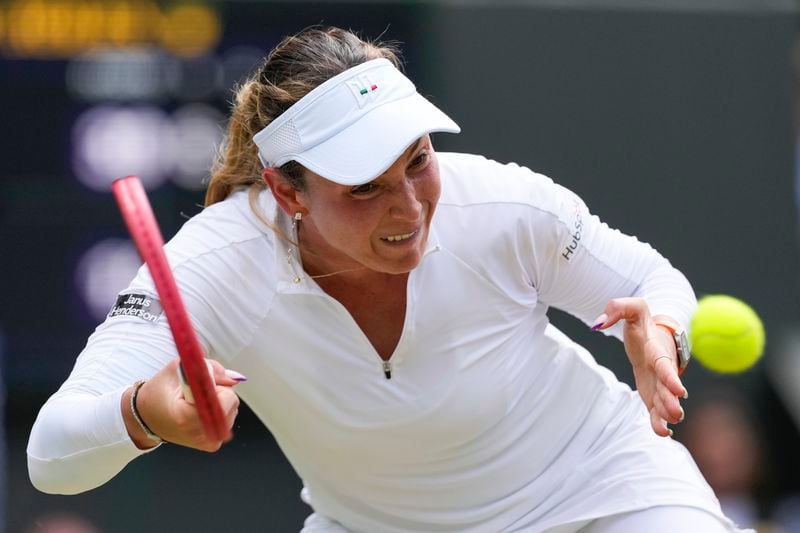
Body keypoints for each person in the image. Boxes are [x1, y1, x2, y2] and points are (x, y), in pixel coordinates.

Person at [28, 26, 751, 532]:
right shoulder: (213, 264)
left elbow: (652, 279)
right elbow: (50, 456)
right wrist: (140, 413)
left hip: (610, 494)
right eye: (364, 187)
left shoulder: (505, 206)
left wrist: (660, 330)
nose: (408, 206)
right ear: (287, 193)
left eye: (417, 160)